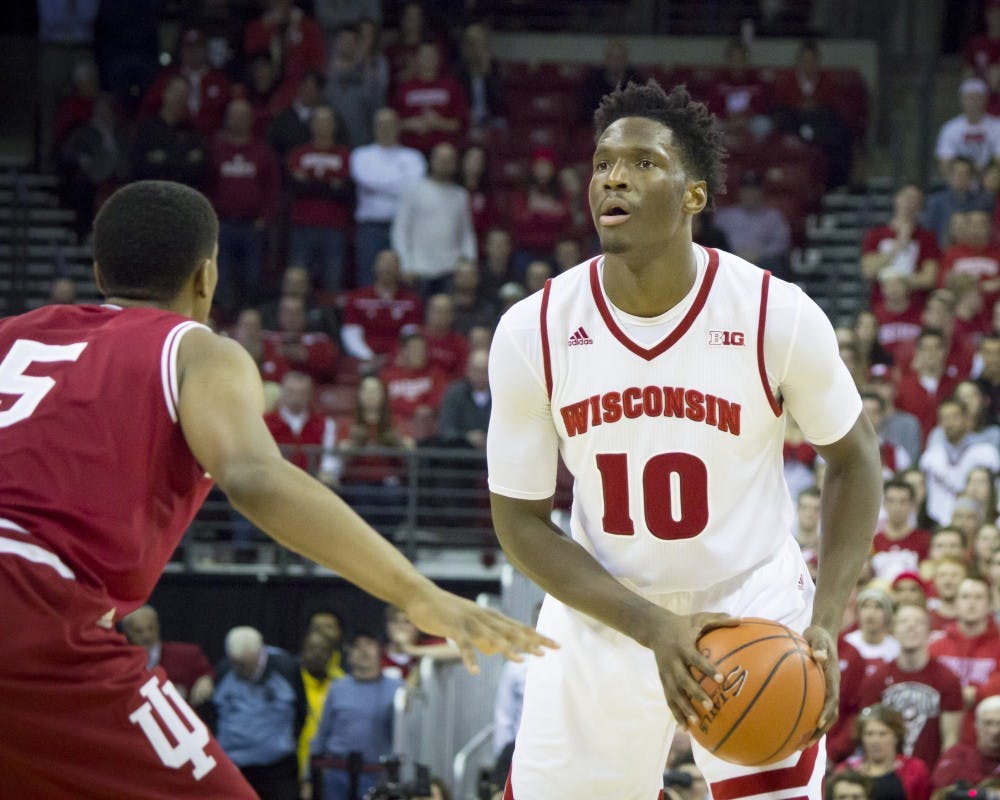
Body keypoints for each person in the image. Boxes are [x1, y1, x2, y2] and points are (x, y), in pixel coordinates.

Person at [0, 180, 555, 797]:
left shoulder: (14, 333)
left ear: (99, 269)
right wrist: (417, 592)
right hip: (33, 607)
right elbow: (254, 477)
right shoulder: (192, 349)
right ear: (206, 277)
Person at [486, 82, 881, 799]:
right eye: (604, 162)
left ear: (694, 195)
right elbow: (517, 522)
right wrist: (650, 625)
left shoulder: (775, 315)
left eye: (642, 162)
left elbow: (855, 459)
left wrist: (825, 620)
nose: (614, 176)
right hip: (605, 606)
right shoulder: (533, 331)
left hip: (751, 601)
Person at [856, 604, 964, 772]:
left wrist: (940, 777)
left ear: (930, 632)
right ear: (893, 631)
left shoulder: (948, 680)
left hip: (930, 775)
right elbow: (868, 734)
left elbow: (951, 738)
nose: (911, 626)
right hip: (888, 776)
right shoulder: (876, 680)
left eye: (918, 622)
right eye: (904, 621)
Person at [214, 626, 306, 799]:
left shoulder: (286, 668)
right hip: (234, 768)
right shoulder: (224, 669)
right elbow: (213, 714)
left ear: (260, 654)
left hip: (277, 769)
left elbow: (302, 711)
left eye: (245, 665)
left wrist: (284, 741)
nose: (239, 670)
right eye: (236, 664)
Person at [311, 630, 404, 800]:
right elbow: (323, 731)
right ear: (349, 654)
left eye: (369, 645)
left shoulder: (398, 689)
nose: (363, 651)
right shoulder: (337, 687)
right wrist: (308, 776)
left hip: (376, 774)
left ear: (380, 651)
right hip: (337, 773)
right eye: (357, 646)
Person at [351, 108, 427, 288]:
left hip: (406, 227)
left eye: (390, 124)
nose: (385, 128)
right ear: (374, 127)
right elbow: (364, 180)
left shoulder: (413, 157)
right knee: (369, 277)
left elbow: (413, 189)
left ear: (398, 127)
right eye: (381, 124)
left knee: (408, 278)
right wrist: (398, 184)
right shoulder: (361, 155)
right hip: (371, 226)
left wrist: (378, 186)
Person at [391, 142, 477, 297]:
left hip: (450, 268)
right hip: (419, 268)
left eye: (449, 159)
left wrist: (469, 260)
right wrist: (405, 264)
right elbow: (401, 230)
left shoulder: (460, 195)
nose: (444, 163)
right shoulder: (414, 190)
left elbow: (466, 232)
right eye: (441, 158)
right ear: (431, 160)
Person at [121, 605, 216, 709]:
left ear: (158, 626)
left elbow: (206, 673)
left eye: (151, 628)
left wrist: (205, 680)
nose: (147, 636)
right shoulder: (119, 663)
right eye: (139, 631)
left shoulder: (185, 655)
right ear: (127, 633)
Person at [835, 704, 933, 800]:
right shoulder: (845, 770)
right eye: (869, 734)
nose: (875, 741)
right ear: (861, 737)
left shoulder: (916, 769)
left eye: (882, 734)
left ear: (896, 736)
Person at [933, 695, 1000, 786]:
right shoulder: (958, 754)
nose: (995, 731)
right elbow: (943, 781)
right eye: (988, 723)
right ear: (976, 725)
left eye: (999, 724)